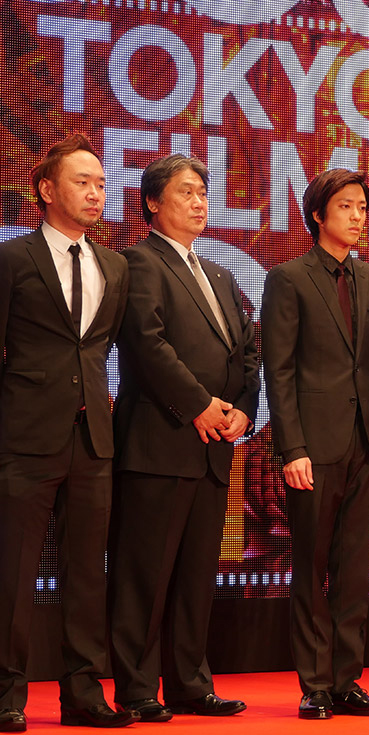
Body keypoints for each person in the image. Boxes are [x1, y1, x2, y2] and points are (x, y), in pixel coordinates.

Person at [109, 154, 259, 721]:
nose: (199, 203)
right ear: (152, 202)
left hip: (214, 446)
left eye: (203, 193)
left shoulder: (219, 273)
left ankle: (191, 684)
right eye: (186, 192)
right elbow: (147, 344)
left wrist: (244, 411)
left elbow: (248, 350)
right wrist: (199, 404)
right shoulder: (138, 262)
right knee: (144, 575)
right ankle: (136, 689)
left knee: (197, 575)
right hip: (159, 441)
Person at [0, 134, 134, 730]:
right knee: (13, 572)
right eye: (83, 182)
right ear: (46, 189)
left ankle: (83, 693)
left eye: (101, 183)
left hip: (93, 439)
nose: (96, 193)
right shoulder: (12, 258)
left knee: (86, 574)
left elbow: (101, 349)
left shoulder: (115, 265)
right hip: (24, 437)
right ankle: (6, 695)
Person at [262, 169, 369, 719]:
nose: (357, 216)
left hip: (367, 443)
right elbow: (279, 371)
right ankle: (315, 684)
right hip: (313, 446)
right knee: (311, 563)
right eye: (346, 206)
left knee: (354, 568)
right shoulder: (288, 278)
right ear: (319, 214)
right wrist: (291, 449)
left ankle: (347, 680)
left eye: (363, 207)